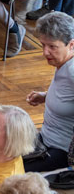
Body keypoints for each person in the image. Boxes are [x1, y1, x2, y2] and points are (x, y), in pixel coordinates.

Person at [25, 12, 74, 172]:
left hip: (61, 151)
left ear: (71, 45)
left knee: (9, 172)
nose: (45, 52)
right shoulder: (63, 63)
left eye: (52, 46)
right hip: (45, 139)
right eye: (43, 45)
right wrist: (46, 96)